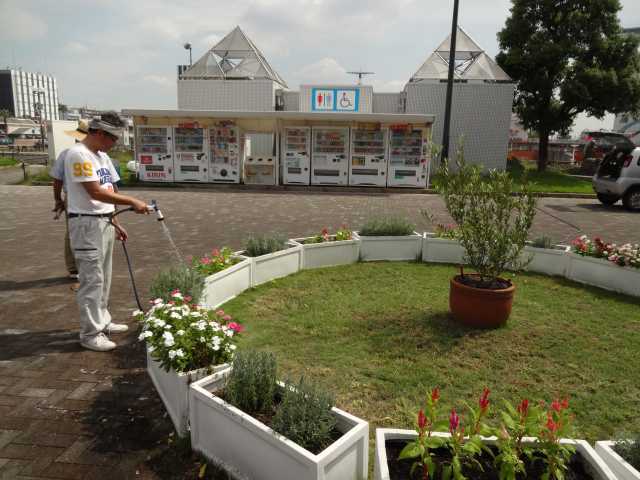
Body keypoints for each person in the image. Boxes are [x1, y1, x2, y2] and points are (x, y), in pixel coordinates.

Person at [65, 112, 149, 352]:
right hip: (86, 224)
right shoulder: (78, 155)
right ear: (99, 133)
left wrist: (115, 221)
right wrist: (132, 201)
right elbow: (95, 192)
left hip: (103, 221)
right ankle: (90, 334)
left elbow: (108, 191)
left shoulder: (101, 156)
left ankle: (103, 321)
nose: (114, 144)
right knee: (92, 280)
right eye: (112, 139)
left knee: (105, 276)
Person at [51, 120, 89, 288]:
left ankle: (83, 266)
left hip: (92, 197)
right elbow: (57, 179)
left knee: (85, 230)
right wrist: (58, 199)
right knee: (73, 230)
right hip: (74, 197)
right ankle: (74, 267)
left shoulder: (98, 155)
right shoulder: (67, 154)